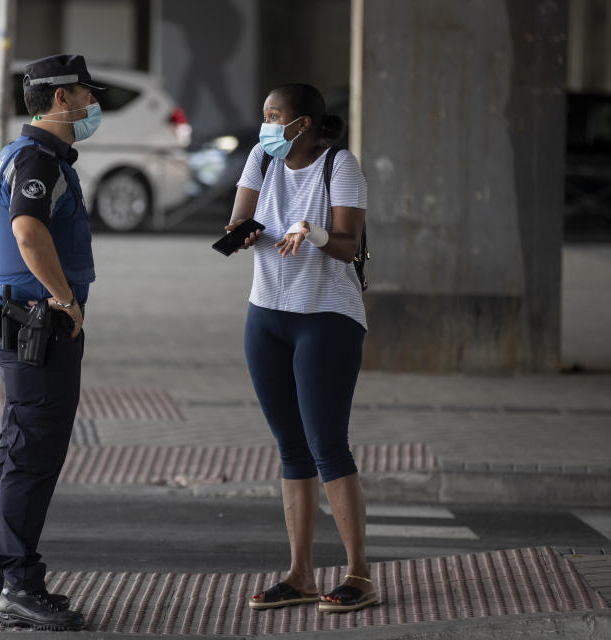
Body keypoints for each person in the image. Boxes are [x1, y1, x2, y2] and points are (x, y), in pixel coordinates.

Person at [226, 83, 377, 613]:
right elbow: (239, 221)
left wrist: (310, 232)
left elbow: (346, 244)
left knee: (327, 445)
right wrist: (242, 234)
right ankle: (300, 574)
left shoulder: (340, 166)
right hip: (266, 314)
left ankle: (358, 572)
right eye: (264, 112)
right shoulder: (260, 159)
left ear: (303, 123)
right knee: (291, 448)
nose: (265, 123)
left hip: (326, 318)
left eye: (275, 114)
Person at [0, 54, 101, 631]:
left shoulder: (12, 152)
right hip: (39, 323)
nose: (90, 103)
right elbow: (24, 229)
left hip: (14, 315)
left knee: (14, 449)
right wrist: (63, 298)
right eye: (83, 93)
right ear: (59, 100)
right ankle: (20, 586)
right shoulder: (39, 158)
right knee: (32, 456)